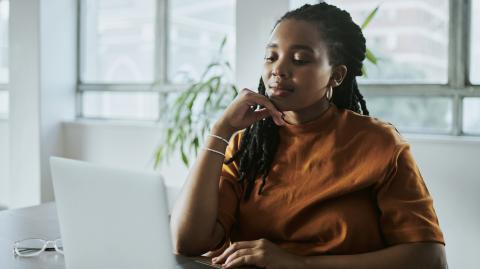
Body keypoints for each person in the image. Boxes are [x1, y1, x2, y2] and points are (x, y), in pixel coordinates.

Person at [170, 3, 447, 268]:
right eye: (271, 56)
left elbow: (429, 259)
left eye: (300, 59)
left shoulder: (379, 143)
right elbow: (188, 243)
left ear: (336, 76)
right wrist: (220, 132)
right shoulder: (248, 145)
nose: (278, 69)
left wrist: (298, 264)